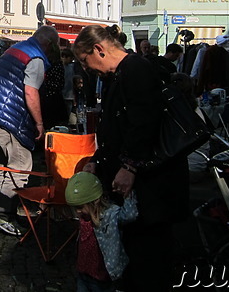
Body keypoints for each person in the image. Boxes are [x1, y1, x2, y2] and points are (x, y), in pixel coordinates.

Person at [73, 24, 188, 292]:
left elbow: (144, 123)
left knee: (149, 263)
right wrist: (97, 159)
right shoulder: (121, 74)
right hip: (139, 191)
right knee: (137, 259)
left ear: (99, 50)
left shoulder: (136, 69)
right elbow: (116, 128)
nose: (86, 68)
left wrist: (129, 167)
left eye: (84, 60)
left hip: (152, 191)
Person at [0, 25, 60, 236]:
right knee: (21, 165)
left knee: (7, 166)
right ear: (49, 44)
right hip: (7, 118)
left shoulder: (15, 50)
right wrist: (39, 124)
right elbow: (31, 92)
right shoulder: (36, 59)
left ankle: (6, 213)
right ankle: (3, 216)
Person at [65, 171, 138, 292]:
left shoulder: (110, 215)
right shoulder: (85, 216)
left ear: (94, 202)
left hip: (102, 276)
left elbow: (130, 215)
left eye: (80, 207)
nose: (77, 212)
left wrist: (128, 193)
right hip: (83, 272)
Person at [40, 42, 67, 129]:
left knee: (50, 125)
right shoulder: (54, 65)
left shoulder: (53, 65)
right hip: (51, 99)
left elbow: (59, 84)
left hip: (51, 100)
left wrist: (44, 83)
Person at [61, 47, 77, 119]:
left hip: (70, 96)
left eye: (66, 57)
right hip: (63, 95)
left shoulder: (73, 67)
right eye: (63, 57)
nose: (64, 59)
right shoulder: (60, 67)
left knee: (69, 114)